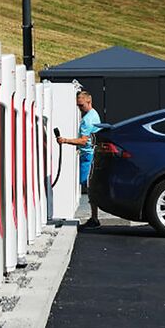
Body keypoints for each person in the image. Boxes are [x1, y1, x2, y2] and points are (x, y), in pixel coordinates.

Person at [56, 87, 102, 229]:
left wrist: (65, 140)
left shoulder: (87, 121)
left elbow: (83, 140)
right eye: (78, 105)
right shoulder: (94, 115)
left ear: (89, 102)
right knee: (90, 186)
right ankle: (94, 217)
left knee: (89, 186)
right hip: (92, 154)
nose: (80, 108)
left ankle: (94, 218)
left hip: (88, 155)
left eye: (81, 105)